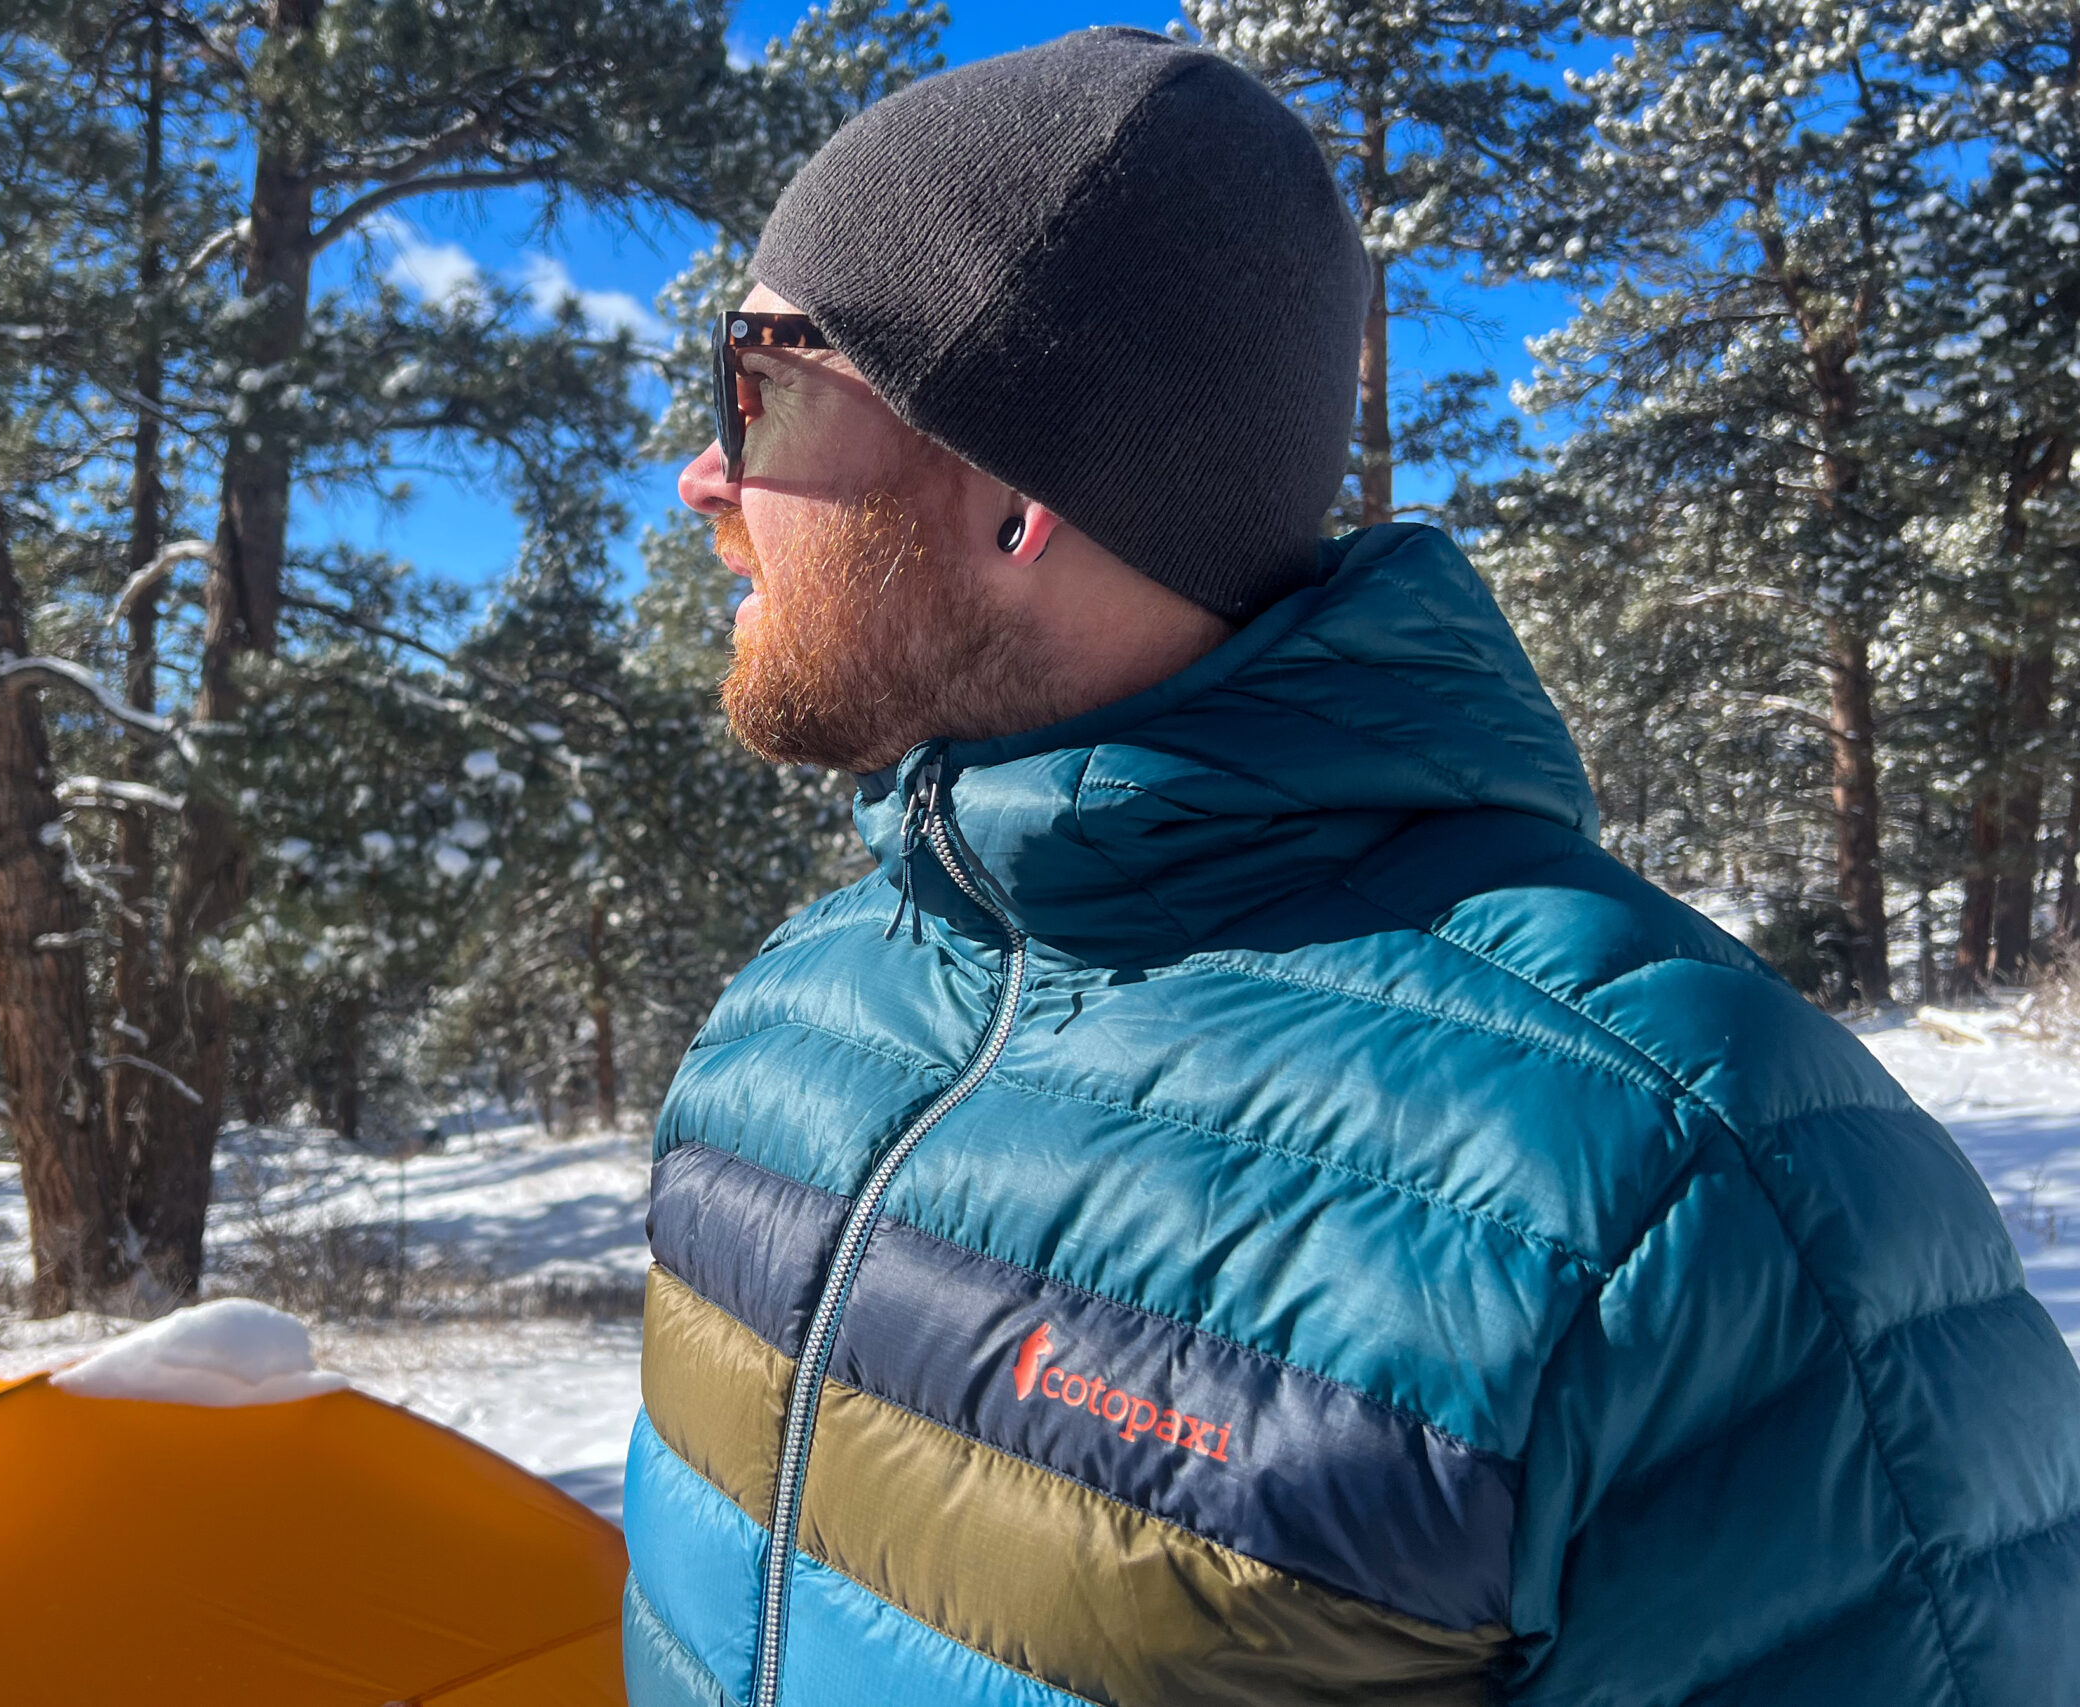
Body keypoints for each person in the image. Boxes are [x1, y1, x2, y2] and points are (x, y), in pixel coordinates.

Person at [619, 27, 2080, 1707]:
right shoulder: (781, 1029)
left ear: (1019, 496)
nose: (704, 476)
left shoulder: (1704, 1201)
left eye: (765, 380)